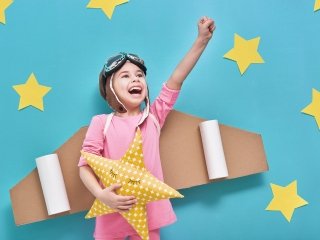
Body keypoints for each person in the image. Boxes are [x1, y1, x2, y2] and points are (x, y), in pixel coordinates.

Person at [78, 16, 215, 240]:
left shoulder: (153, 117)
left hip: (148, 211)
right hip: (111, 209)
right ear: (110, 88)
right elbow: (84, 166)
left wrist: (201, 40)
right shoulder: (101, 123)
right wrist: (102, 196)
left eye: (139, 75)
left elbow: (177, 79)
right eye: (125, 75)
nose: (136, 79)